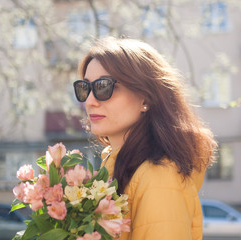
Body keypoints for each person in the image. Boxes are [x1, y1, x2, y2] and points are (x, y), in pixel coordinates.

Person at [73, 36, 217, 240]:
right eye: (84, 88)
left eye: (103, 87)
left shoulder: (159, 177)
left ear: (146, 98)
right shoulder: (114, 163)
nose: (90, 101)